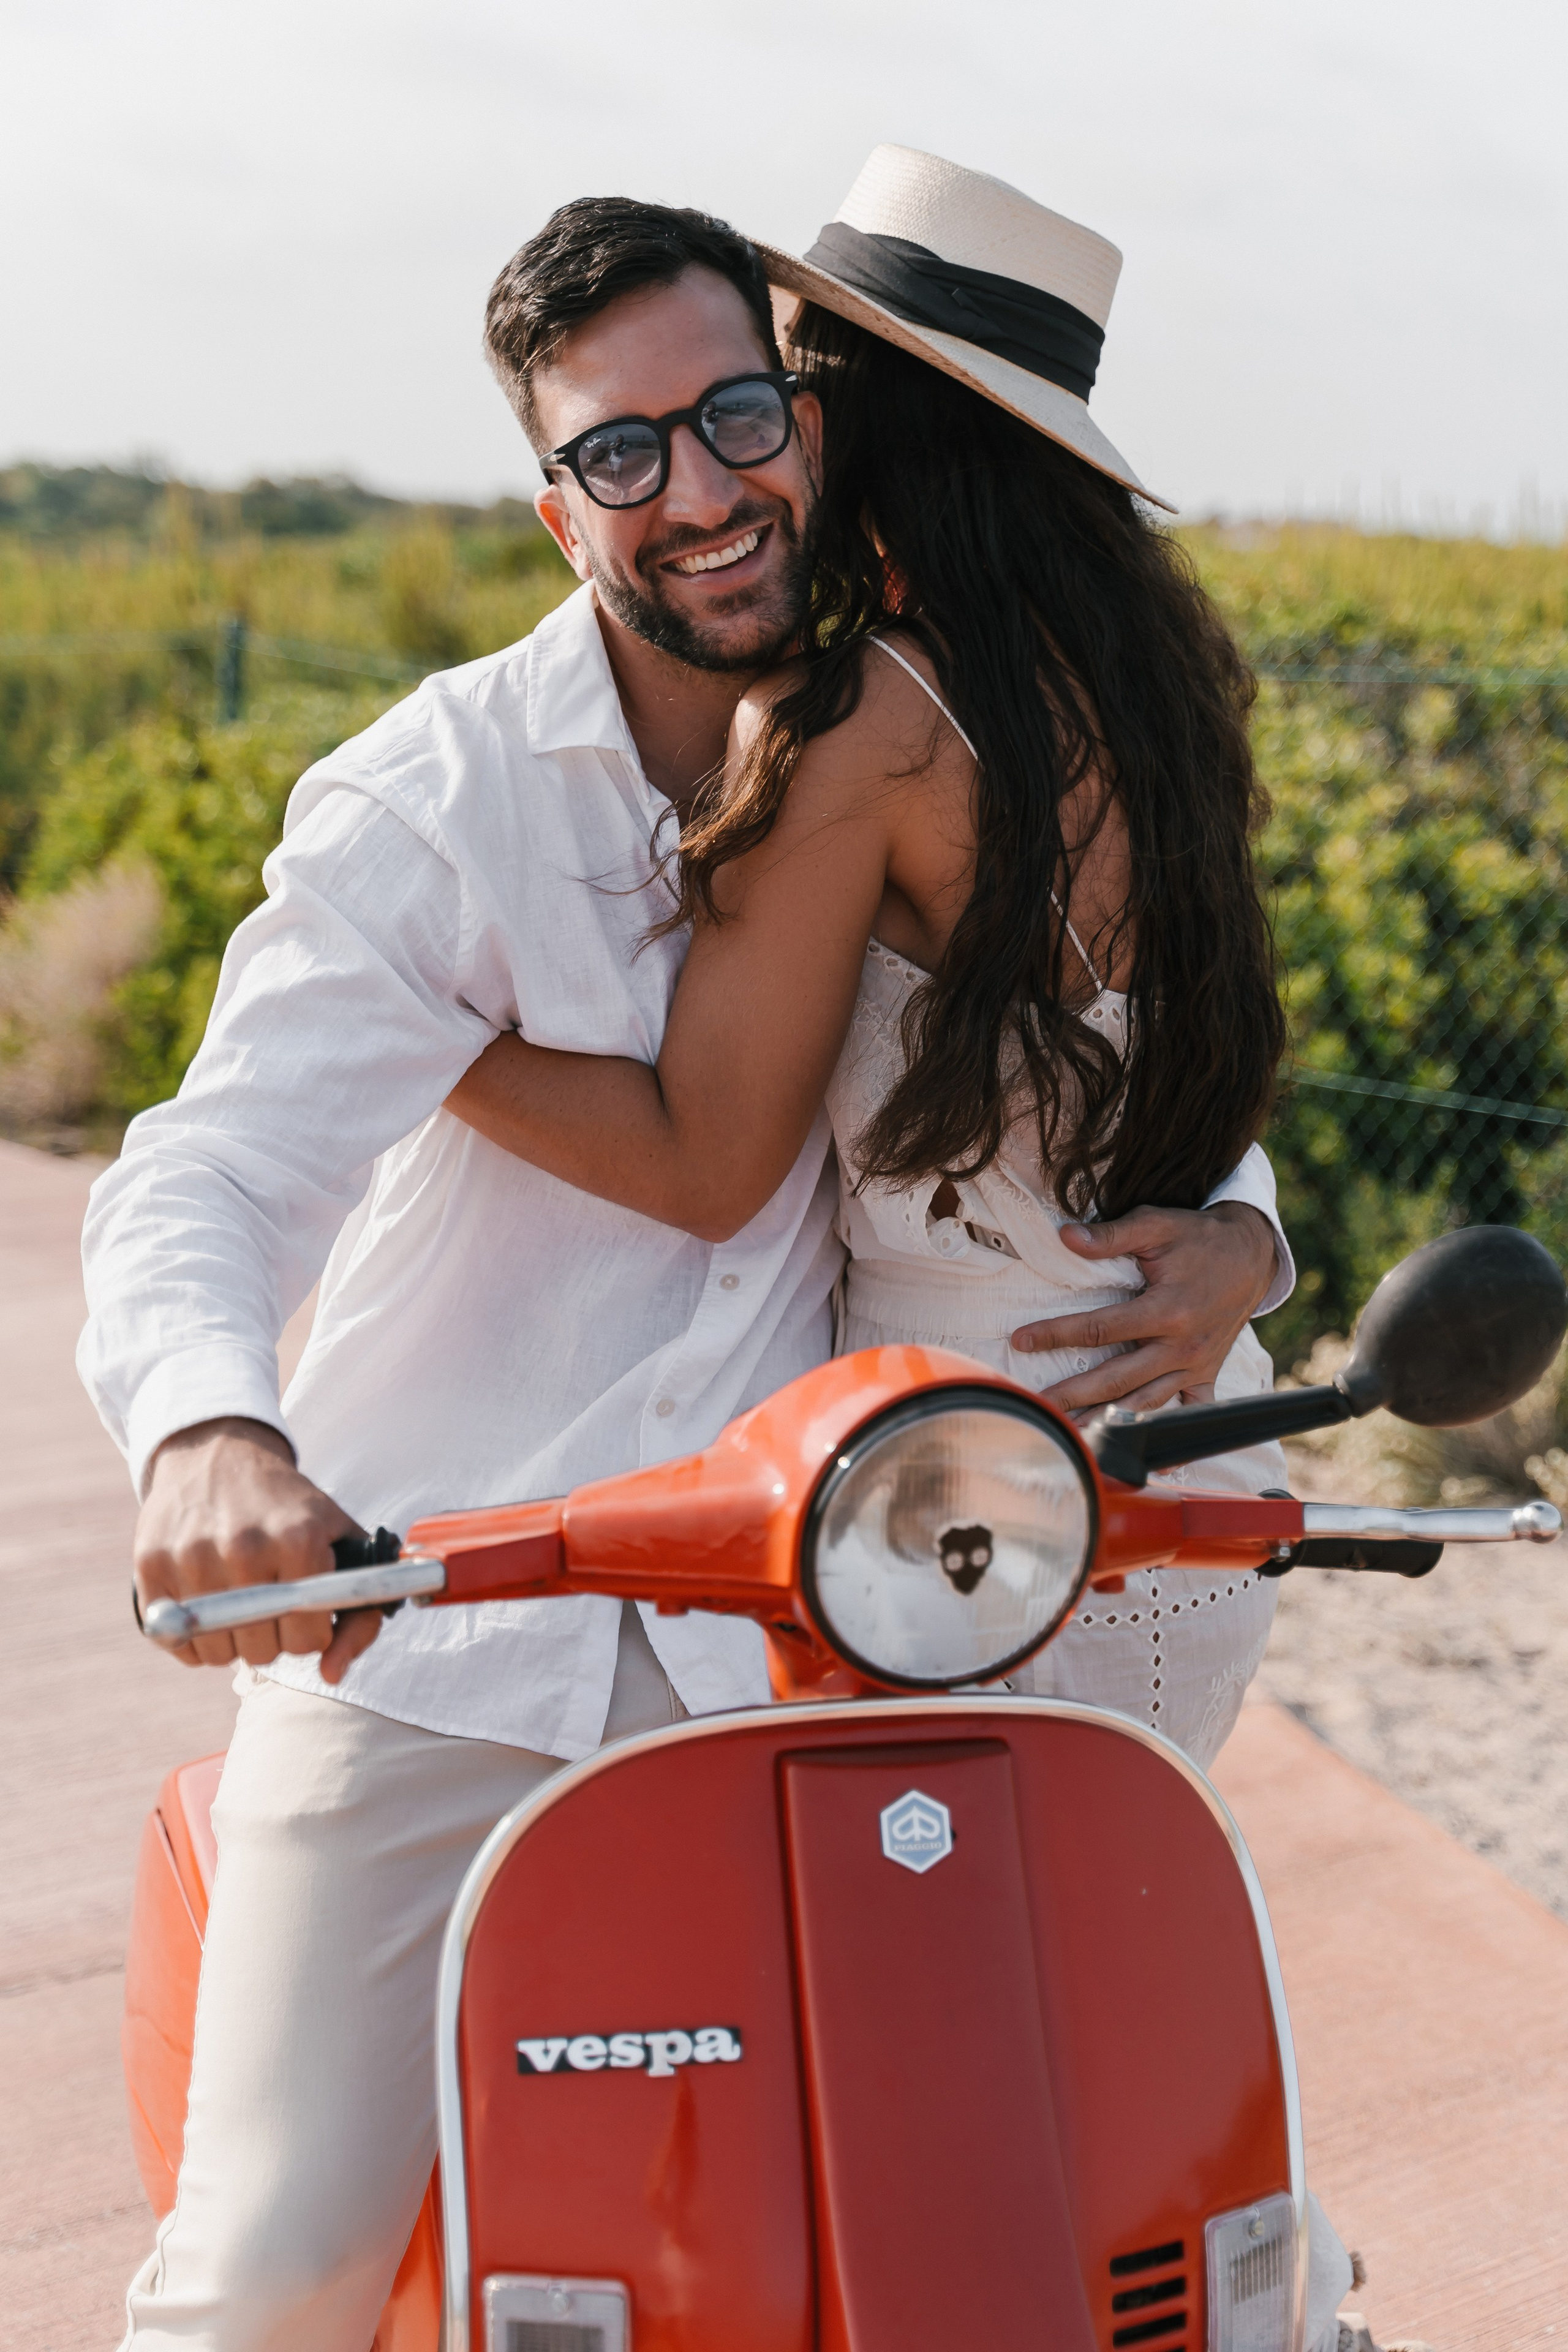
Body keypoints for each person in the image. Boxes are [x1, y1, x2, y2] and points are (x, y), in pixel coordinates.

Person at [81, 172, 1295, 2350]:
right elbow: (214, 1164)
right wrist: (207, 1433)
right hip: (447, 1630)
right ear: (559, 510)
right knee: (276, 2267)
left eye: (741, 417)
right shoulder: (433, 801)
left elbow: (1085, 1064)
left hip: (818, 1635)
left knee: (1006, 2226)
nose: (705, 492)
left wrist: (1245, 1233)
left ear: (814, 426)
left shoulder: (901, 724)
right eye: (624, 454)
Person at [448, 143, 1295, 1773]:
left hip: (958, 1514)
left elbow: (708, 1163)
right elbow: (1162, 1083)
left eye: (776, 397)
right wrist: (1252, 1247)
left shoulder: (854, 726)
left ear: (854, 425)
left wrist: (437, 1039)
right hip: (1204, 1472)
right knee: (1100, 1916)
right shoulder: (1161, 694)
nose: (743, 448)